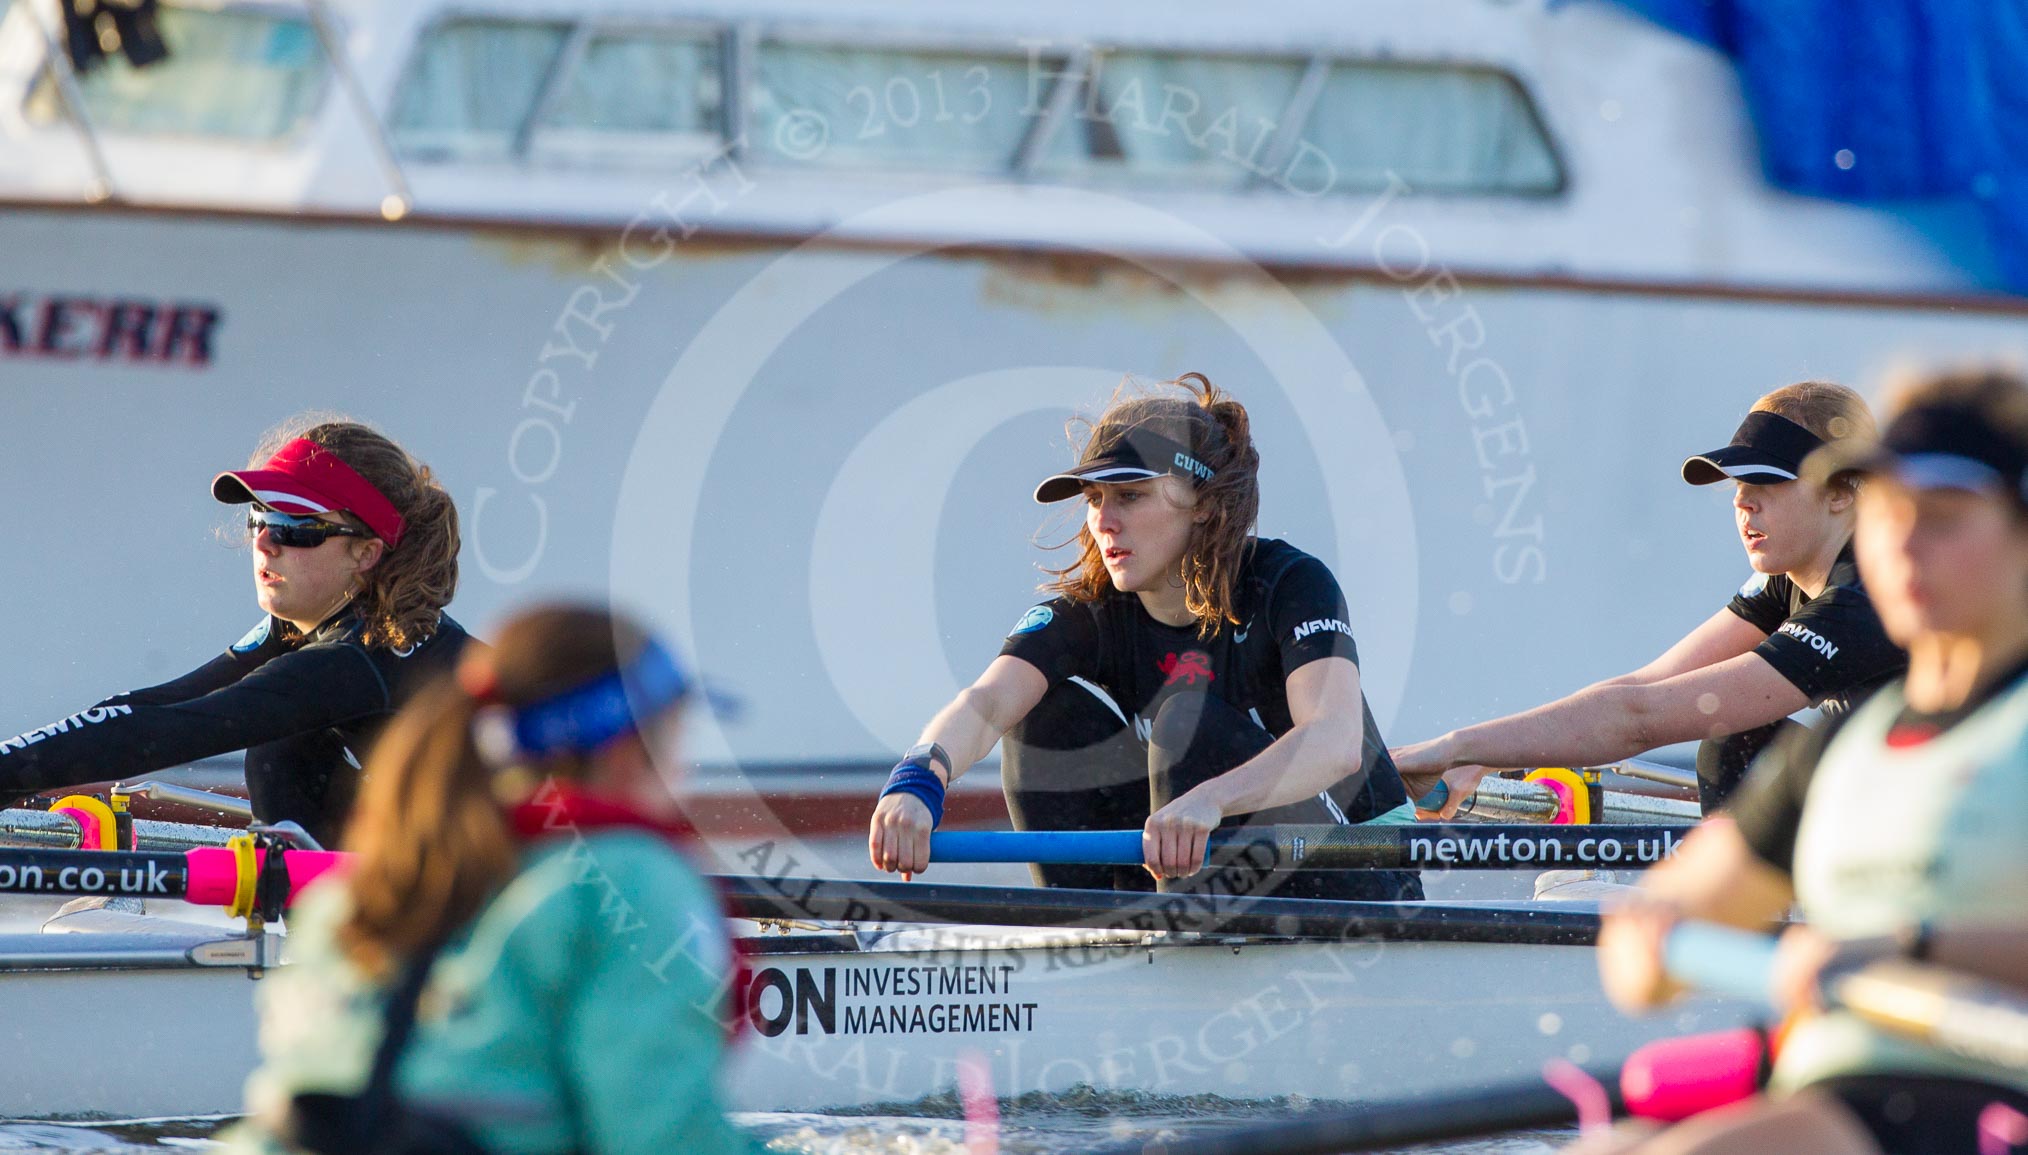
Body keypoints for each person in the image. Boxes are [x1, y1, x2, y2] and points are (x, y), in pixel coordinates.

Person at [1577, 367, 2028, 1155]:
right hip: (1838, 1090)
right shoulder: (1836, 750)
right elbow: (1649, 951)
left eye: (1945, 516)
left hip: (1987, 1098)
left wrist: (1910, 946)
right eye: (1889, 511)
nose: (1903, 543)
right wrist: (1651, 936)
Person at [867, 373, 1422, 901]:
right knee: (1040, 717)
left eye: (1130, 495)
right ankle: (1094, 940)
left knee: (1187, 720)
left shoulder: (1289, 584)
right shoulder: (1092, 613)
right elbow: (987, 705)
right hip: (1202, 869)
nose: (1104, 521)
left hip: (1362, 868)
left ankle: (1179, 952)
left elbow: (1335, 740)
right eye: (1093, 499)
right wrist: (918, 779)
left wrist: (1211, 800)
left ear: (1204, 504)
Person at [224, 604, 754, 1155]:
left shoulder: (365, 881)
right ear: (626, 752)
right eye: (678, 740)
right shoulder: (632, 880)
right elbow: (657, 1134)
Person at [1395, 381, 1907, 815]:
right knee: (1745, 745)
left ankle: (1749, 916)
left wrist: (1450, 747)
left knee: (1732, 743)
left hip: (1954, 825)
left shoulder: (1863, 597)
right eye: (1737, 481)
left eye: (1765, 482)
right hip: (1903, 797)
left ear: (1843, 491)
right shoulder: (1788, 578)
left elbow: (1640, 720)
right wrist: (1482, 758)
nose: (1741, 499)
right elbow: (1644, 685)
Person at [0, 419, 470, 846]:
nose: (264, 542)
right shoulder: (305, 627)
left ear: (366, 553)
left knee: (280, 744)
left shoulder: (361, 655)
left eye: (293, 526)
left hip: (515, 874)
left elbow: (170, 732)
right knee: (286, 745)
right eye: (260, 519)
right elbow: (156, 706)